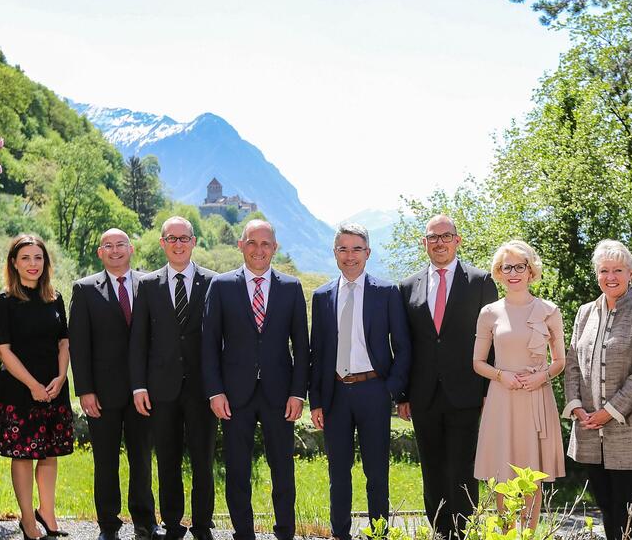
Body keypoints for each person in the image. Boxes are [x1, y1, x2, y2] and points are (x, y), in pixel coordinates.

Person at [201, 220, 309, 540]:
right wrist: (215, 391)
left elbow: (301, 347)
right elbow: (209, 344)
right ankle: (244, 533)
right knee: (237, 471)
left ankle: (285, 531)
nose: (259, 250)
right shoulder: (221, 286)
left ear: (275, 247)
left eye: (266, 244)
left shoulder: (291, 287)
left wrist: (297, 393)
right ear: (241, 245)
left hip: (280, 394)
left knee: (283, 471)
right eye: (252, 243)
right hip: (234, 395)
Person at [309, 223, 412, 540]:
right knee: (338, 473)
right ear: (335, 253)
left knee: (376, 472)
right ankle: (340, 534)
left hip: (373, 391)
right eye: (343, 248)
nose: (350, 256)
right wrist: (317, 401)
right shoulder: (322, 295)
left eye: (356, 249)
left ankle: (378, 534)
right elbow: (318, 352)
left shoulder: (386, 292)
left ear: (367, 253)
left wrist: (390, 389)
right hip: (336, 393)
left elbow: (404, 347)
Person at [398, 215, 498, 539]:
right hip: (423, 395)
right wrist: (402, 395)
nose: (439, 242)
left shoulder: (480, 282)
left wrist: (488, 390)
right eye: (433, 237)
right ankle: (440, 533)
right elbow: (403, 345)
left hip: (467, 393)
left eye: (446, 236)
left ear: (458, 240)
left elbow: (492, 340)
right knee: (432, 471)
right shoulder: (407, 286)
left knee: (463, 471)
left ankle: (464, 533)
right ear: (423, 243)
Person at [562, 240, 632, 540]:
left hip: (628, 428)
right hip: (589, 427)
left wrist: (607, 413)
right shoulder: (584, 313)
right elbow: (572, 364)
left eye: (617, 270)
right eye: (604, 270)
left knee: (626, 506)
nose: (610, 276)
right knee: (605, 505)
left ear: (630, 273)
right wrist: (577, 406)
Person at [128, 216, 217, 540]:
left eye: (184, 238)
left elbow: (222, 338)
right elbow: (139, 339)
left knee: (203, 462)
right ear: (163, 243)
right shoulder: (148, 285)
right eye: (172, 238)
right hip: (160, 389)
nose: (178, 244)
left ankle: (203, 525)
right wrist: (138, 385)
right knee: (167, 462)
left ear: (194, 242)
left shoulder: (213, 283)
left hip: (203, 390)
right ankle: (173, 523)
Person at [68, 229, 161, 540]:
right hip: (102, 394)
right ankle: (108, 524)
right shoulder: (84, 289)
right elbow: (78, 345)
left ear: (131, 249)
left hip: (142, 392)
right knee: (104, 461)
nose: (115, 250)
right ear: (100, 252)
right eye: (108, 245)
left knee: (142, 460)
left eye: (120, 244)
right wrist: (84, 391)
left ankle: (145, 523)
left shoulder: (149, 284)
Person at [472, 240, 566, 530]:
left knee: (532, 476)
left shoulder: (550, 311)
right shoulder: (489, 312)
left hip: (536, 399)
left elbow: (560, 361)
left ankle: (528, 535)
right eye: (506, 267)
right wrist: (502, 376)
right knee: (503, 474)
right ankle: (505, 534)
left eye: (519, 266)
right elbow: (477, 363)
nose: (513, 273)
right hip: (502, 399)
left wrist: (541, 377)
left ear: (530, 270)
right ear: (499, 272)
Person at [0, 234, 74, 540]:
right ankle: (28, 520)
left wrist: (61, 377)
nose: (33, 264)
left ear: (45, 262)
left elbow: (64, 341)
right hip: (19, 391)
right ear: (14, 263)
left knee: (49, 453)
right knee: (23, 455)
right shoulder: (3, 303)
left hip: (54, 388)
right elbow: (3, 350)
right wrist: (33, 385)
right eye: (25, 258)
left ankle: (47, 513)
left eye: (38, 257)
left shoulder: (55, 298)